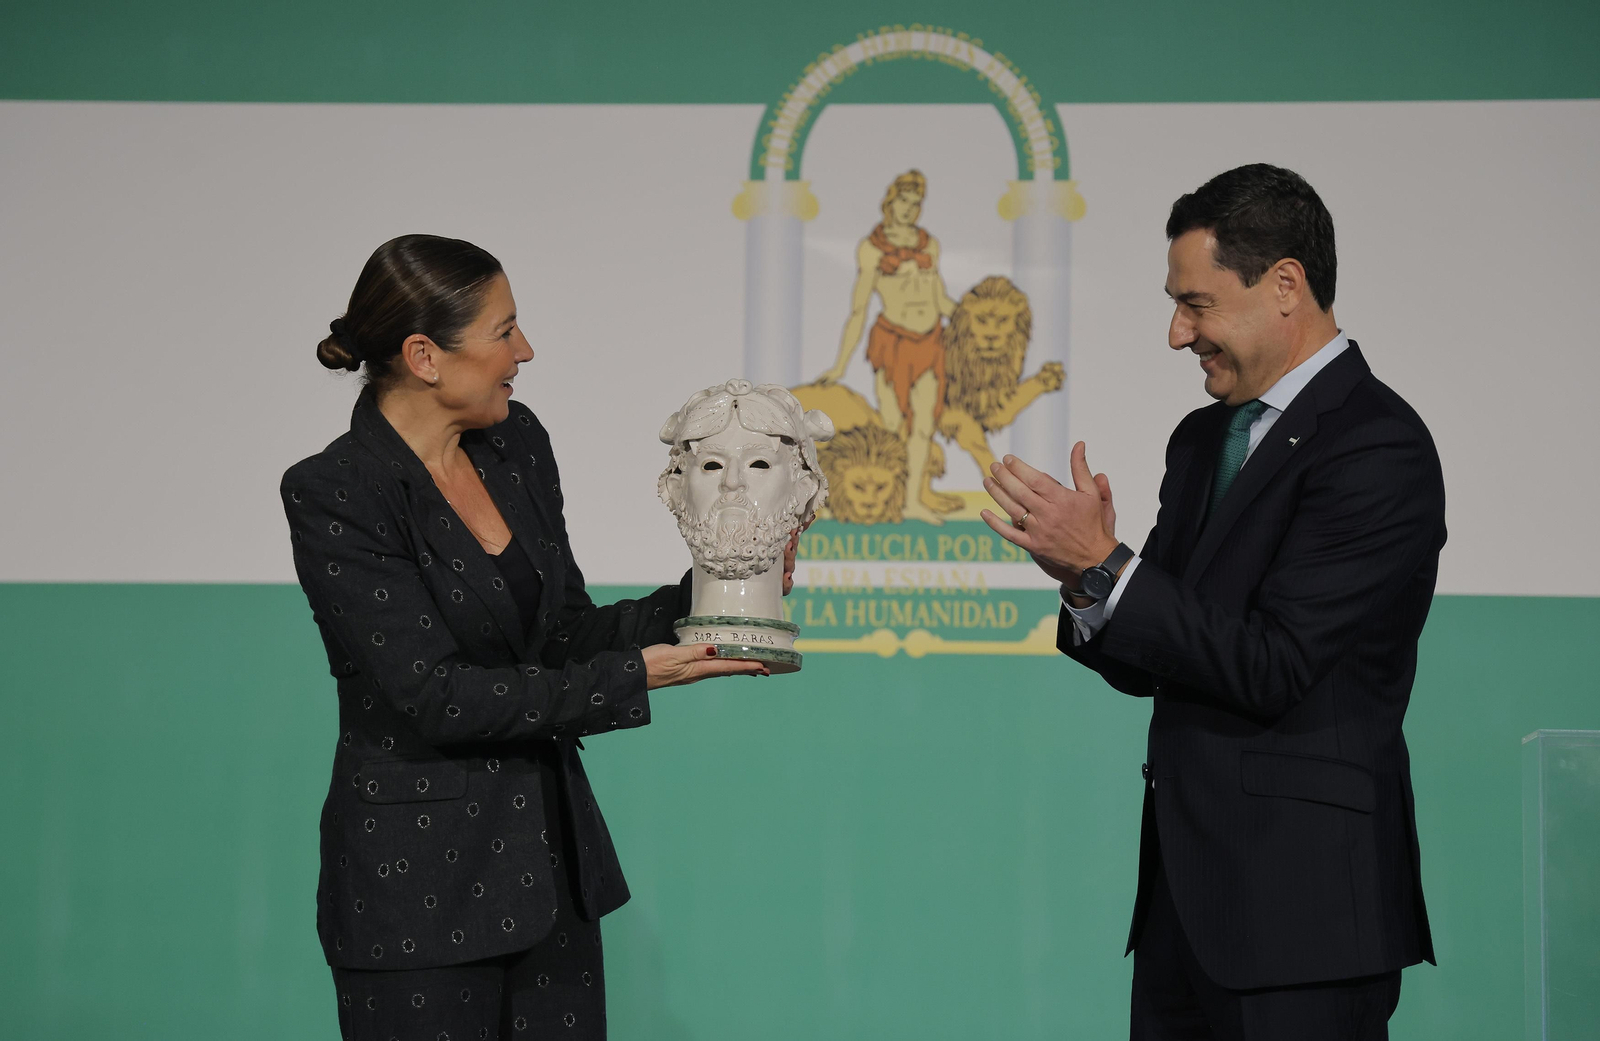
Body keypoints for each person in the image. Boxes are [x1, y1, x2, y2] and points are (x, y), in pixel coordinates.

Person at [980, 165, 1444, 1039]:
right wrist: (1089, 582)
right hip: (1184, 915)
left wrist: (1114, 565)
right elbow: (1169, 656)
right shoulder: (1203, 440)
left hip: (1304, 925)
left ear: (1284, 286)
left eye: (1196, 304)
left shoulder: (1378, 445)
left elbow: (1273, 666)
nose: (1175, 332)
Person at [282, 234, 776, 1040]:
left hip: (548, 878)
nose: (526, 350)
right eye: (503, 330)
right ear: (424, 356)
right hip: (419, 900)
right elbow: (434, 695)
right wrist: (633, 678)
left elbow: (565, 633)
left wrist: (721, 593)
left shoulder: (516, 442)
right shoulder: (335, 490)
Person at [818, 169, 962, 523]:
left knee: (924, 427)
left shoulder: (929, 244)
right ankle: (896, 499)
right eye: (904, 202)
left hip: (930, 342)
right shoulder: (871, 249)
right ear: (889, 202)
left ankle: (914, 500)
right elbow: (859, 309)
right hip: (893, 342)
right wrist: (840, 366)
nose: (910, 210)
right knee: (895, 426)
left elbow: (940, 298)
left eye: (916, 204)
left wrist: (967, 317)